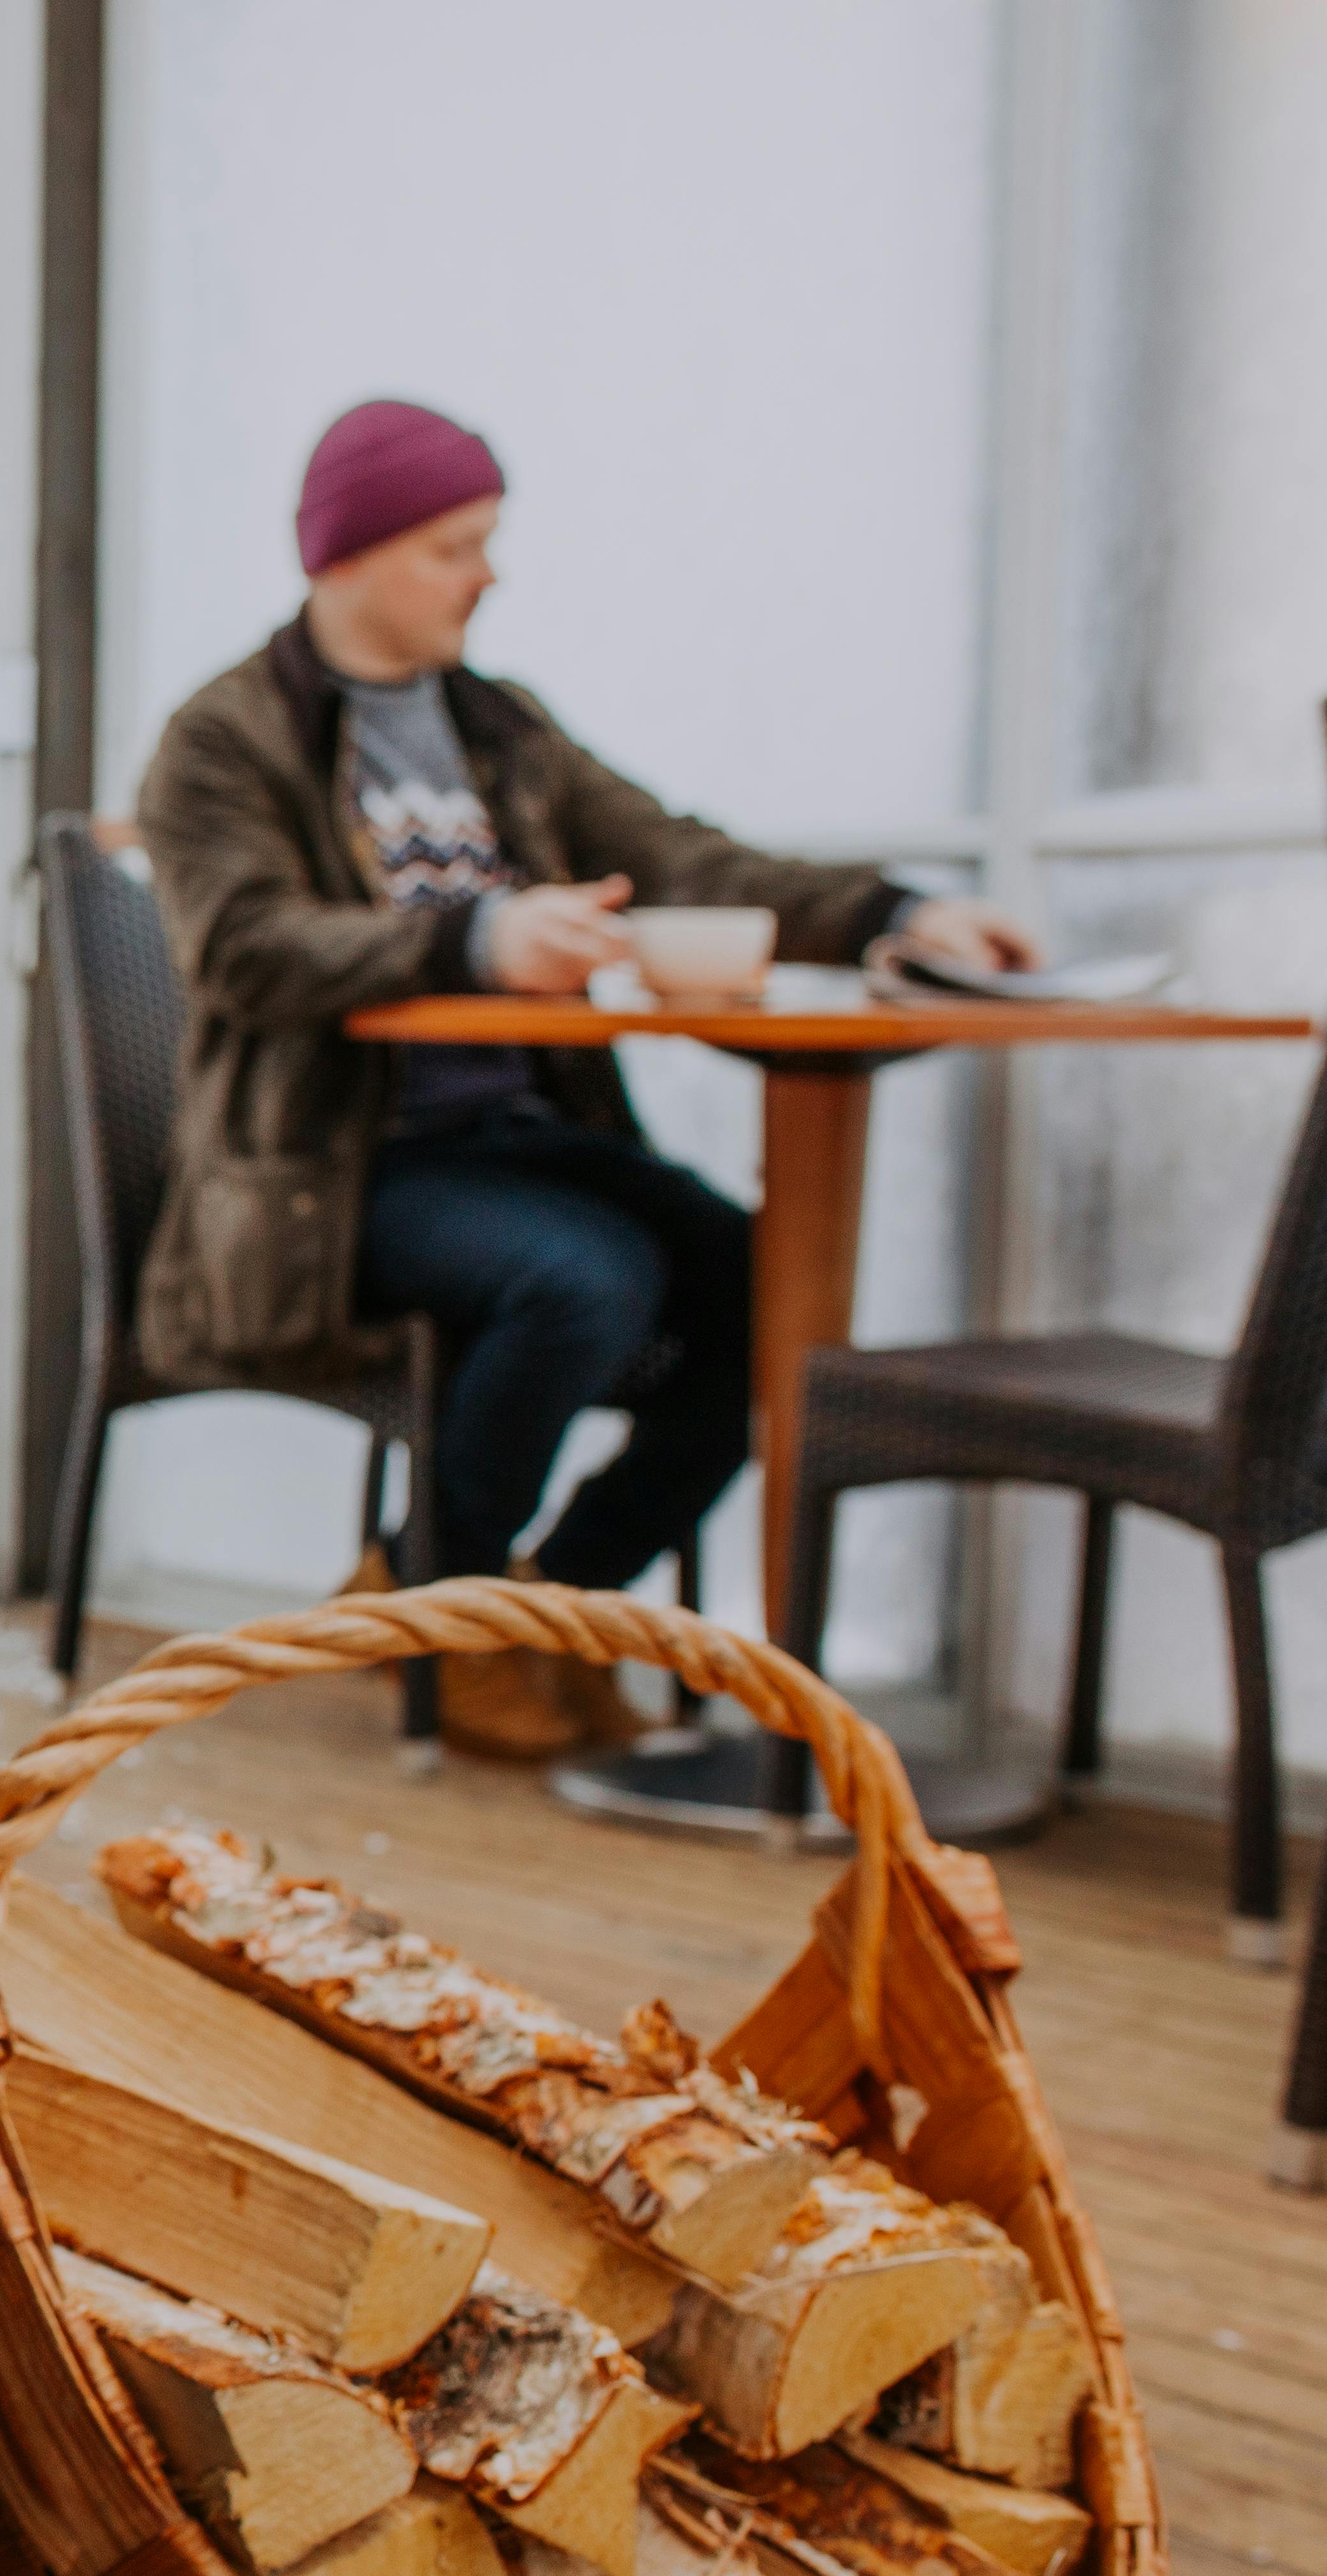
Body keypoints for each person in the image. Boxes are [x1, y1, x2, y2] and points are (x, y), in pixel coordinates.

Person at [133, 399, 1038, 1758]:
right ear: (352, 553)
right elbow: (243, 946)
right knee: (583, 1278)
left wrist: (888, 918)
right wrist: (478, 932)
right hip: (336, 1169)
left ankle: (536, 1617)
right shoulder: (223, 739)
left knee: (761, 1285)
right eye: (453, 546)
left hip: (521, 1134)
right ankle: (423, 1601)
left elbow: (679, 860)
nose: (483, 575)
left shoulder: (500, 730)